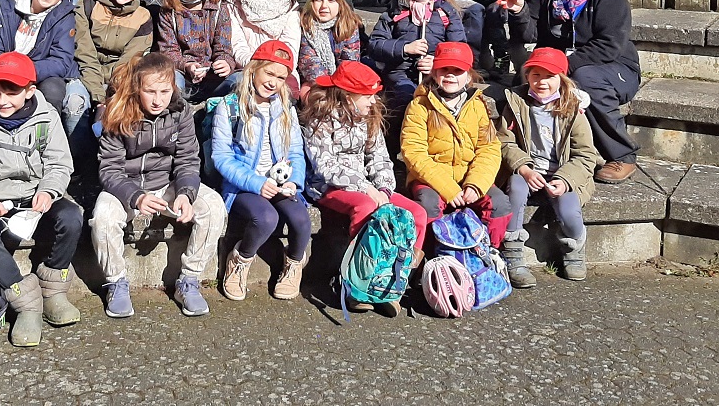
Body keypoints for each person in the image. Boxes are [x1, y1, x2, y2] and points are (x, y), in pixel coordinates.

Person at [0, 52, 81, 348]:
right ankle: (25, 302)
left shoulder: (47, 118)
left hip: (36, 197)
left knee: (72, 217)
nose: (2, 100)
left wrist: (49, 191)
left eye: (12, 93)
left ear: (30, 91)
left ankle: (52, 289)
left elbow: (59, 164)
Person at [92, 53, 227, 318]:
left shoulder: (181, 111)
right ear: (136, 89)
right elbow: (109, 169)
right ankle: (116, 282)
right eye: (150, 91)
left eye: (164, 91)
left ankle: (189, 279)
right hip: (126, 188)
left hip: (167, 185)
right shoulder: (116, 112)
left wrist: (186, 193)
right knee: (102, 218)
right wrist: (136, 197)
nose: (158, 99)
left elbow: (188, 158)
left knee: (213, 207)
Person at [506, 0, 642, 184]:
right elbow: (529, 33)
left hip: (614, 66)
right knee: (522, 83)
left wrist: (560, 67)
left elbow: (610, 44)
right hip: (561, 64)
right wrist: (518, 10)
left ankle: (623, 155)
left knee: (585, 78)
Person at [299, 61, 426, 313]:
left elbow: (379, 157)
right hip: (329, 186)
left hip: (368, 185)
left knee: (417, 214)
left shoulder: (369, 117)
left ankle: (395, 282)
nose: (373, 101)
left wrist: (386, 189)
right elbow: (325, 165)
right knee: (366, 207)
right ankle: (357, 282)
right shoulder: (319, 118)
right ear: (348, 95)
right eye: (367, 95)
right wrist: (364, 188)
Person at [212, 41, 309, 302]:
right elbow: (221, 157)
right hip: (244, 185)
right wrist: (256, 183)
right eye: (269, 73)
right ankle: (240, 260)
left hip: (280, 181)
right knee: (266, 218)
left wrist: (294, 182)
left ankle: (293, 266)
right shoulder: (230, 106)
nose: (273, 82)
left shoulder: (286, 108)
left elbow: (296, 153)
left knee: (300, 219)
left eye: (281, 77)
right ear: (254, 69)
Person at [399, 41, 512, 250]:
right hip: (431, 179)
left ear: (468, 76)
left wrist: (476, 184)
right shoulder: (420, 106)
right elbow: (413, 152)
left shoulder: (479, 105)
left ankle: (485, 253)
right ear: (434, 72)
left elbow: (489, 149)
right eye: (444, 69)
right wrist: (448, 188)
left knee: (500, 204)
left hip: (469, 177)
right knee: (428, 205)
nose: (450, 75)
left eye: (457, 70)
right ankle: (432, 258)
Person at [498, 48, 596, 288]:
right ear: (527, 76)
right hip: (527, 170)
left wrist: (564, 179)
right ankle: (513, 253)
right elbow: (504, 141)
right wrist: (524, 167)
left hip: (562, 172)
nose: (541, 82)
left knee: (569, 209)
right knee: (516, 190)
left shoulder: (573, 109)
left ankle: (573, 248)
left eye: (549, 76)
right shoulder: (516, 102)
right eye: (535, 75)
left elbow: (586, 154)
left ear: (561, 79)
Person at [68, 0, 154, 171]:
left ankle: (119, 164)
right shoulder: (86, 6)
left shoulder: (143, 18)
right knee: (74, 104)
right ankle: (80, 162)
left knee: (126, 108)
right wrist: (98, 97)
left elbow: (129, 62)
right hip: (83, 72)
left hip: (120, 79)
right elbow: (84, 53)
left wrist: (112, 96)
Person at [368, 0, 466, 124]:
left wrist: (437, 64)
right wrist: (405, 48)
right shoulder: (395, 10)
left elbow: (460, 49)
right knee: (406, 99)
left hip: (438, 75)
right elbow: (375, 44)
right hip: (399, 73)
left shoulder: (447, 12)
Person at [157, 0, 239, 102]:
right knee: (169, 81)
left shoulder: (220, 8)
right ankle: (179, 116)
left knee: (240, 80)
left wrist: (224, 62)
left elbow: (224, 46)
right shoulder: (168, 12)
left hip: (214, 78)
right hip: (183, 76)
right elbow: (169, 51)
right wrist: (187, 65)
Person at [223, 0, 301, 96]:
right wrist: (257, 68)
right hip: (245, 67)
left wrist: (271, 71)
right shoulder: (233, 2)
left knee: (288, 90)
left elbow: (290, 47)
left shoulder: (290, 6)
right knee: (237, 84)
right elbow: (237, 43)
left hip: (279, 70)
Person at [296, 0, 362, 90]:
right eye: (319, 0)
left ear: (340, 4)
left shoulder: (349, 25)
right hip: (314, 81)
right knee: (307, 92)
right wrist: (328, 87)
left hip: (343, 81)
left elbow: (350, 61)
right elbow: (309, 62)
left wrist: (339, 86)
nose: (324, 6)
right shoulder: (305, 24)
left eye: (331, 1)